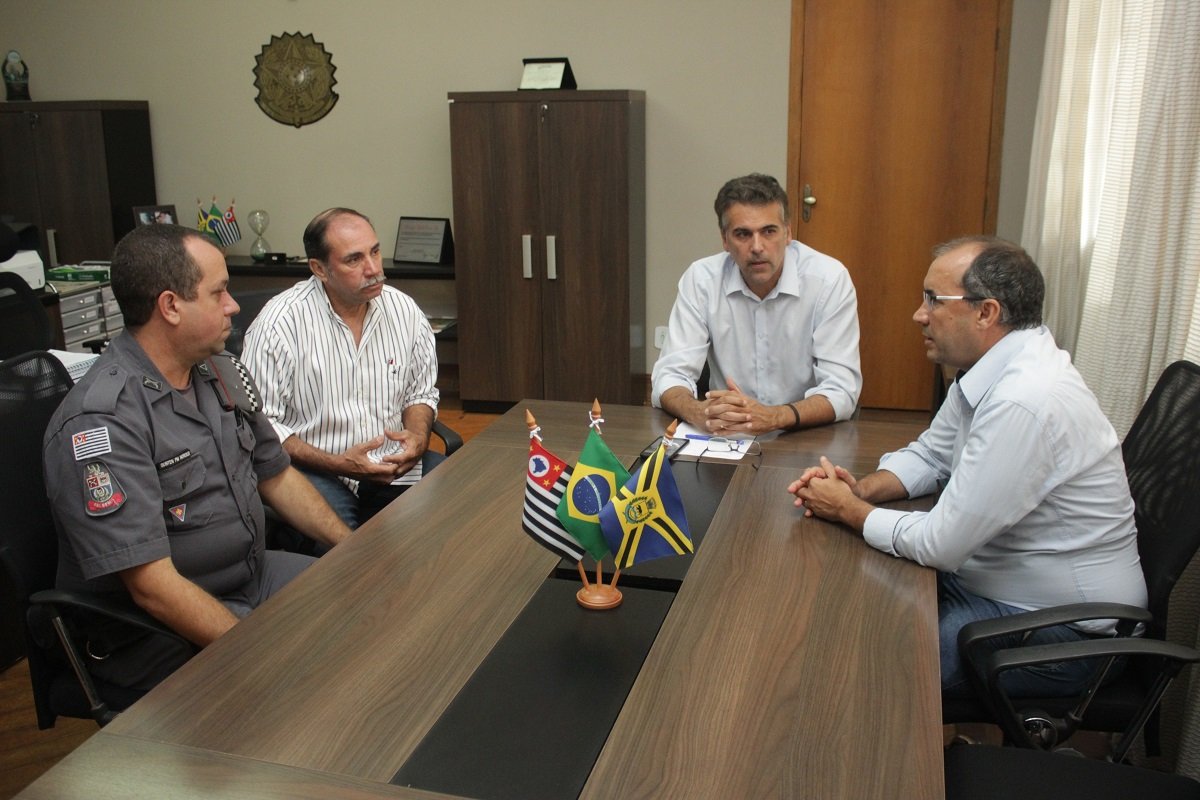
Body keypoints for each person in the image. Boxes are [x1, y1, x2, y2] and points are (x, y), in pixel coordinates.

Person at [789, 236, 1147, 697]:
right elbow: (931, 454)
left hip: (1067, 635)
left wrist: (847, 511)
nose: (919, 314)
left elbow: (940, 544)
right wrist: (860, 490)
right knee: (850, 611)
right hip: (997, 589)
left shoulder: (1026, 400)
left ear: (986, 313)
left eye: (933, 300)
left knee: (866, 665)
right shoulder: (988, 367)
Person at [44, 224, 350, 692]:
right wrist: (260, 651)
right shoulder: (102, 420)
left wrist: (355, 550)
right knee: (307, 676)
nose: (233, 305)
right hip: (162, 622)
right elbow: (152, 588)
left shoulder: (218, 370)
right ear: (170, 306)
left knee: (366, 598)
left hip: (250, 574)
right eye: (219, 292)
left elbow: (276, 477)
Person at [241, 208, 441, 537]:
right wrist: (338, 463)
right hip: (314, 470)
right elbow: (261, 426)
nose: (374, 269)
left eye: (375, 252)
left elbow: (419, 393)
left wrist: (418, 437)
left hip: (389, 463)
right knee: (343, 557)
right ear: (319, 268)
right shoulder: (280, 324)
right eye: (354, 260)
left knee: (459, 508)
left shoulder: (403, 310)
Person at [651, 173, 862, 436]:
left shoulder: (828, 280)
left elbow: (841, 390)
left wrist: (774, 417)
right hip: (726, 435)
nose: (757, 247)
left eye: (769, 231)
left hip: (805, 433)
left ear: (788, 233)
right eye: (742, 234)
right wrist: (700, 412)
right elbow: (669, 375)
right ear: (725, 240)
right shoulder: (702, 280)